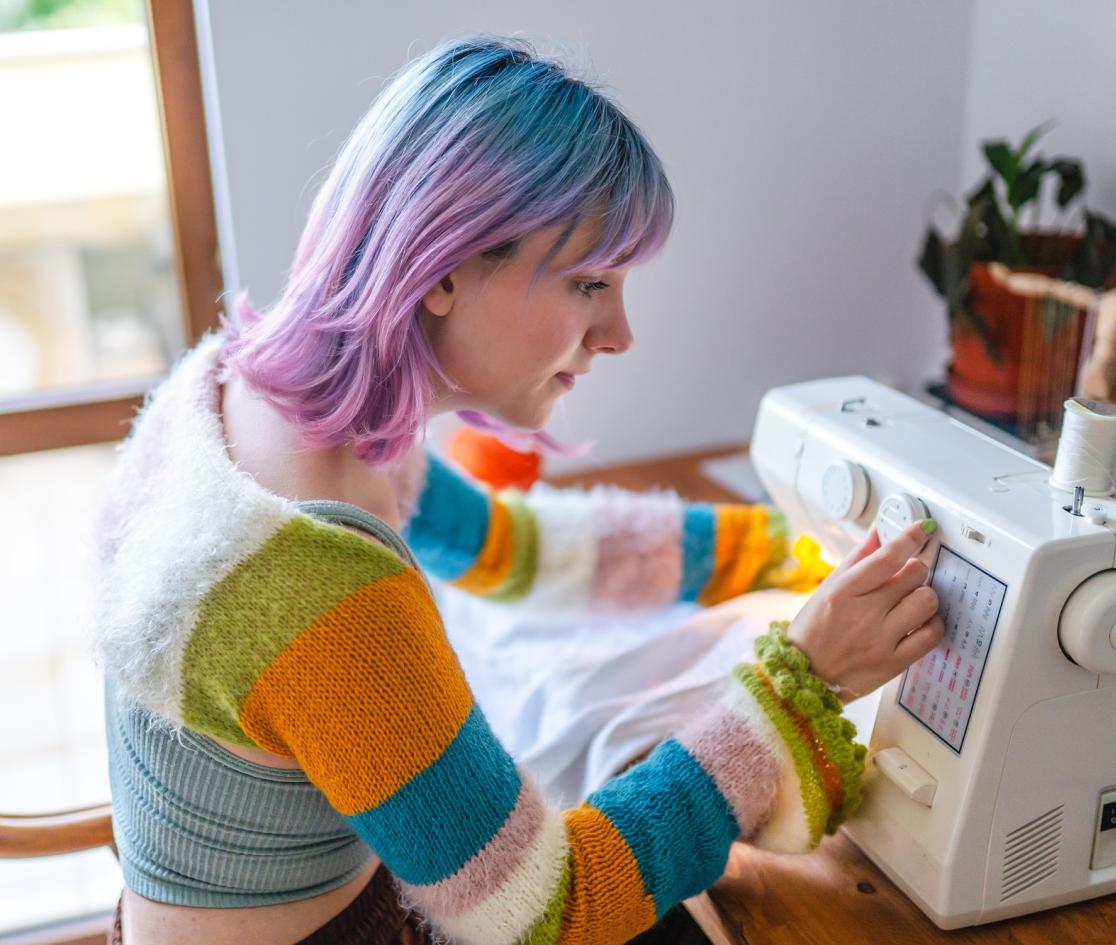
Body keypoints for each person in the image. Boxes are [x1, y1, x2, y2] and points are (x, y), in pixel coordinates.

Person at [92, 35, 944, 945]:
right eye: (590, 284)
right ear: (445, 269)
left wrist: (770, 547)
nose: (618, 332)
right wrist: (800, 678)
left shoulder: (242, 394)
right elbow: (553, 911)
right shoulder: (311, 579)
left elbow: (507, 548)